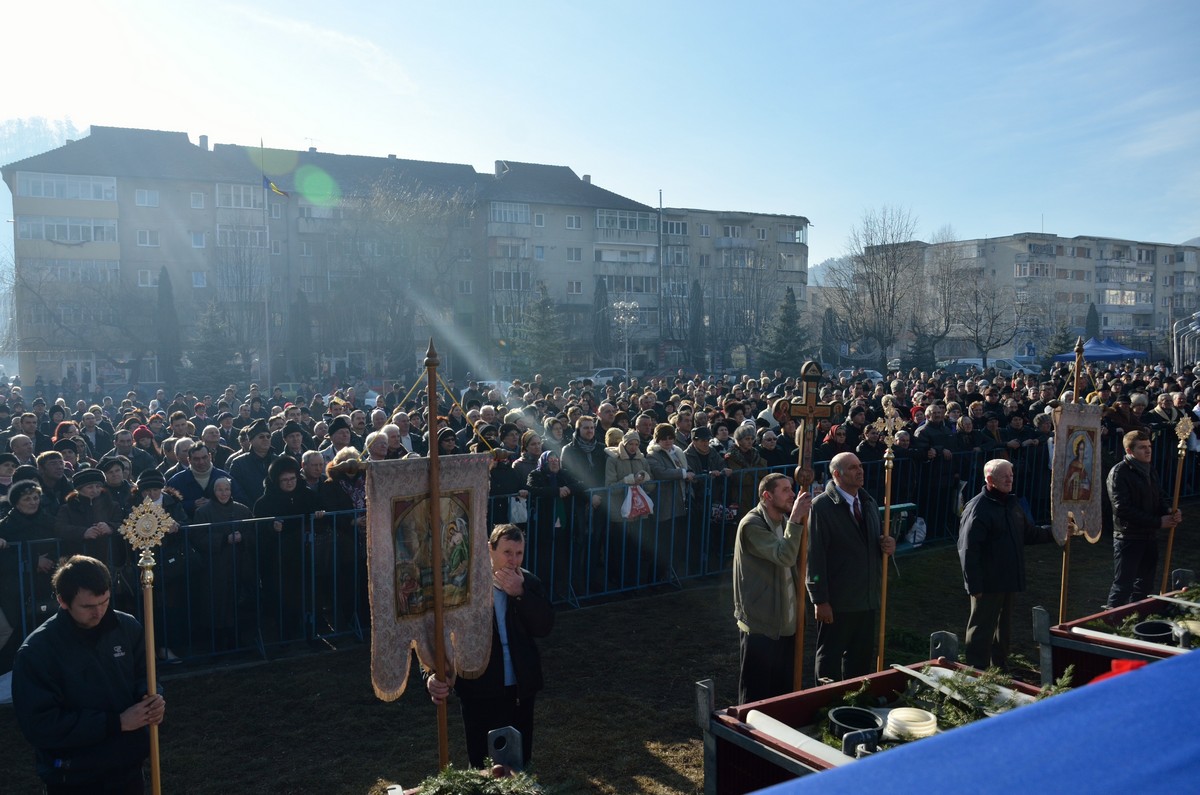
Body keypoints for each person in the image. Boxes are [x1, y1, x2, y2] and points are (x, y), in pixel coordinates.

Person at [12, 555, 165, 792]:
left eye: (104, 602)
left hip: (127, 768)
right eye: (88, 607)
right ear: (63, 600)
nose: (99, 613)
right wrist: (116, 723)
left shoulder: (127, 627)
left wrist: (151, 698)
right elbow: (41, 725)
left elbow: (144, 674)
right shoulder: (36, 651)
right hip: (74, 775)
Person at [425, 524, 554, 769]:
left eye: (519, 553)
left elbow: (544, 626)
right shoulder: (464, 587)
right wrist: (431, 674)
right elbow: (438, 635)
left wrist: (520, 594)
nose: (513, 561)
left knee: (519, 763)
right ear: (489, 550)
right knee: (484, 766)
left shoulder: (529, 582)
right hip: (479, 689)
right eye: (507, 552)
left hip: (520, 688)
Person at [957, 458, 1056, 670]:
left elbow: (1028, 533)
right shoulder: (978, 508)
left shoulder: (1012, 504)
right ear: (990, 479)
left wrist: (1055, 533)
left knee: (1003, 628)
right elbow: (968, 549)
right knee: (982, 628)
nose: (1009, 479)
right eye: (1004, 476)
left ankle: (1000, 669)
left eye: (1011, 475)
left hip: (1009, 577)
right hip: (988, 581)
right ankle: (976, 673)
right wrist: (973, 584)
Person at [807, 452, 896, 684]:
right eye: (853, 467)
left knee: (860, 658)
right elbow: (814, 556)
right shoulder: (822, 508)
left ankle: (856, 703)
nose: (860, 471)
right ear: (837, 474)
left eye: (860, 466)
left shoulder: (867, 502)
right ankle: (826, 705)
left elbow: (870, 542)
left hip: (866, 597)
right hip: (838, 600)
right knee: (830, 658)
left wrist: (885, 544)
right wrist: (820, 599)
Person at [732, 472, 812, 703]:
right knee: (756, 694)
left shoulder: (784, 522)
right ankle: (748, 738)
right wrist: (796, 518)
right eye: (785, 490)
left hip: (787, 622)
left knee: (783, 690)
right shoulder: (752, 524)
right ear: (767, 495)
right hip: (762, 623)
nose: (793, 494)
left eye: (792, 488)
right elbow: (784, 556)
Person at [1106, 430, 1181, 607]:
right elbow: (1122, 508)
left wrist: (1170, 510)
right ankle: (1109, 622)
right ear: (1129, 451)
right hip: (1128, 537)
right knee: (1123, 586)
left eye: (1149, 447)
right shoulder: (1120, 472)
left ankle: (1135, 619)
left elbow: (1158, 496)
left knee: (1145, 585)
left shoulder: (1149, 470)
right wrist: (1157, 522)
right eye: (1142, 447)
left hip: (1149, 536)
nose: (1148, 451)